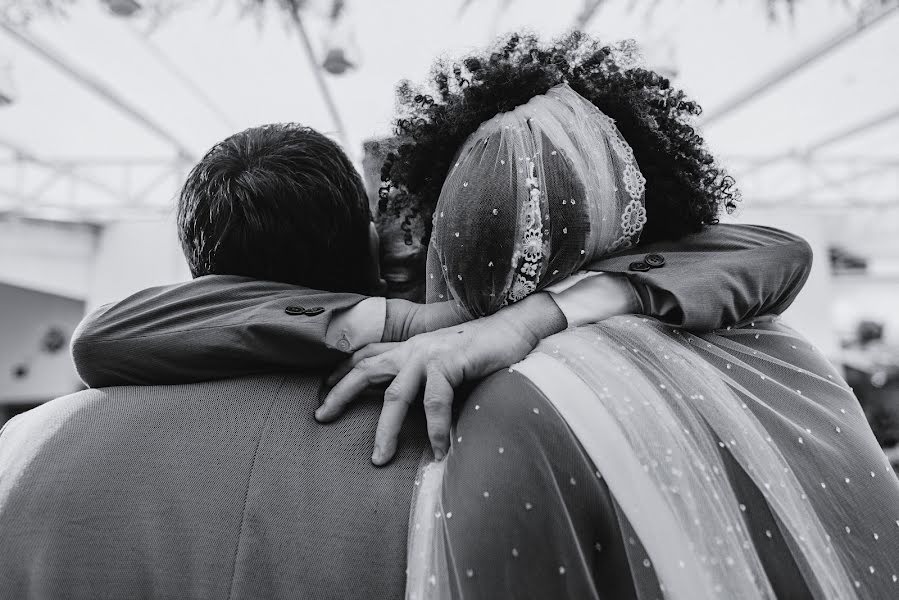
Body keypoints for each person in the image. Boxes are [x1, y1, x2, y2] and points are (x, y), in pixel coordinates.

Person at [71, 34, 899, 598]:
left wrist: (523, 319)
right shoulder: (746, 336)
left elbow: (771, 248)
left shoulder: (605, 310)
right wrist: (405, 321)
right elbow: (112, 332)